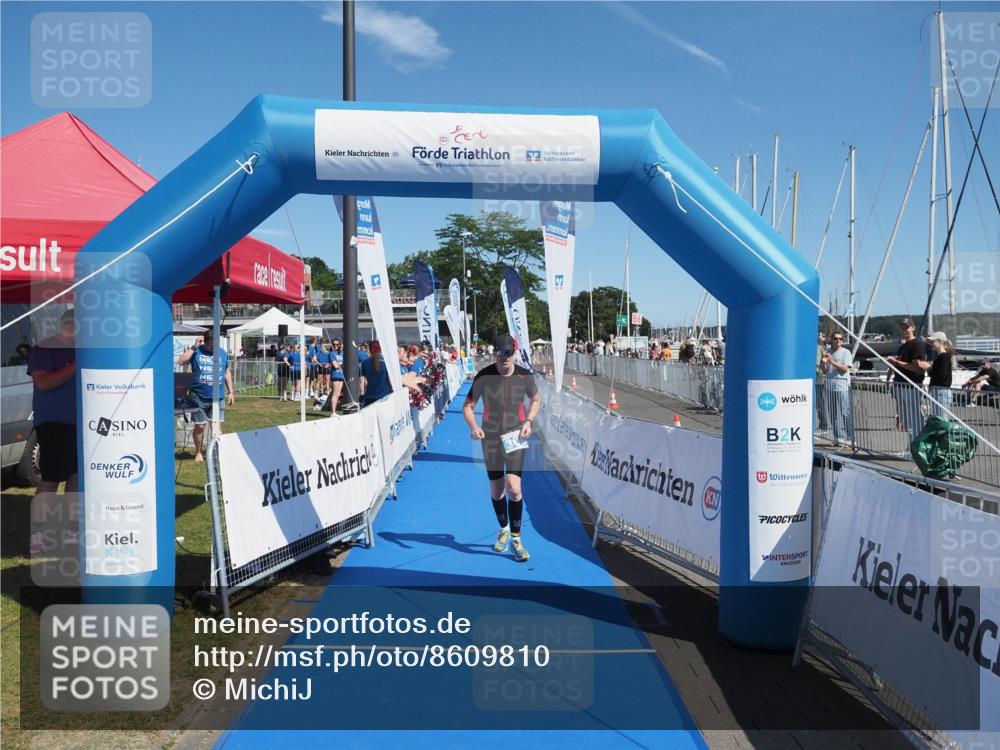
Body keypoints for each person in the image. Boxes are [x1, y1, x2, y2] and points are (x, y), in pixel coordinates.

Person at [463, 334, 540, 563]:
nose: (504, 357)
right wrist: (474, 427)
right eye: (500, 352)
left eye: (509, 353)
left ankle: (516, 538)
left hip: (515, 435)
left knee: (514, 488)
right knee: (497, 491)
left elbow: (536, 400)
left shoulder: (524, 375)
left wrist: (529, 421)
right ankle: (504, 529)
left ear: (514, 353)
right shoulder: (484, 376)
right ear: (494, 352)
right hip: (491, 438)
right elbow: (467, 406)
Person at [27, 309, 78, 497]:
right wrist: (75, 366)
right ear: (68, 325)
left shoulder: (80, 350)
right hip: (54, 424)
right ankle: (40, 517)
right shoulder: (44, 349)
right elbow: (43, 383)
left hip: (79, 424)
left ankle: (71, 516)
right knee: (52, 478)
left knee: (77, 475)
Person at [177, 330, 234, 462]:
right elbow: (181, 361)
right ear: (205, 342)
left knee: (216, 426)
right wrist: (194, 346)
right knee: (200, 426)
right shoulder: (196, 351)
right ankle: (198, 452)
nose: (211, 347)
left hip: (218, 397)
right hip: (198, 396)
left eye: (214, 344)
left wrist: (231, 392)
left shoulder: (222, 353)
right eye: (209, 344)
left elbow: (227, 373)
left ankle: (217, 452)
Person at [885, 317, 928, 441]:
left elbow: (917, 368)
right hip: (900, 385)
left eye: (907, 327)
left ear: (913, 328)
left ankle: (918, 444)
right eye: (902, 327)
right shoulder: (902, 346)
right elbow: (896, 365)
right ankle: (911, 445)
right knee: (906, 418)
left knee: (915, 417)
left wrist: (896, 362)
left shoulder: (917, 344)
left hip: (911, 386)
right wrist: (889, 375)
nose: (904, 330)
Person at [822, 333, 854, 446]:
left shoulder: (846, 352)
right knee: (833, 413)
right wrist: (823, 363)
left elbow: (845, 369)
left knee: (845, 413)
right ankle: (838, 437)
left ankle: (850, 438)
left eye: (840, 338)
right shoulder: (828, 352)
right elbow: (824, 371)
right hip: (830, 386)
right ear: (831, 339)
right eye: (835, 338)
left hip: (842, 386)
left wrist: (832, 361)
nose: (838, 340)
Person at [921, 332, 954, 418]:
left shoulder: (943, 357)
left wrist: (928, 368)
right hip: (939, 392)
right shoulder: (941, 357)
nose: (931, 344)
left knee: (942, 420)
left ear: (941, 342)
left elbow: (942, 376)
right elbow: (938, 374)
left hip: (941, 392)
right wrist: (928, 368)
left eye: (933, 342)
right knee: (939, 419)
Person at [360, 341, 393, 406]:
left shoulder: (364, 363)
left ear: (370, 350)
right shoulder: (386, 362)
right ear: (381, 349)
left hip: (370, 397)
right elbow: (390, 381)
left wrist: (362, 393)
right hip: (385, 396)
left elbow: (363, 381)